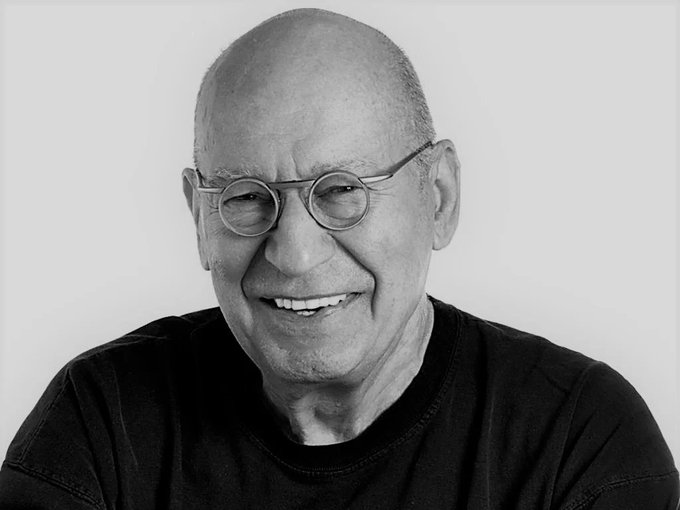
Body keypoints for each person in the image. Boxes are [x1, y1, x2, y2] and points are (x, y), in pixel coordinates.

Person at [0, 7, 677, 509]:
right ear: (200, 219)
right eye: (246, 197)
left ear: (438, 197)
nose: (294, 254)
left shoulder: (578, 442)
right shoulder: (102, 426)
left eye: (342, 191)